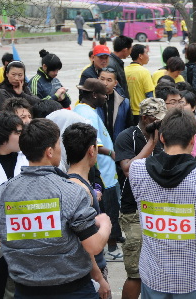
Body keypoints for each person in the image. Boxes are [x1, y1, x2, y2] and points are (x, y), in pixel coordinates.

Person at [0, 118, 111, 298]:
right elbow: (93, 246)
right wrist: (105, 223)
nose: (60, 150)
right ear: (49, 151)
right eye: (58, 145)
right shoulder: (70, 191)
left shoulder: (2, 193)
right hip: (73, 290)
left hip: (25, 290)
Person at [129, 108, 196, 297]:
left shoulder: (138, 170)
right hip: (195, 277)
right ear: (193, 139)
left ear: (162, 138)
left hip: (154, 275)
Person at [114, 98, 167, 299]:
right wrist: (152, 142)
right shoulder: (127, 137)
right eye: (157, 120)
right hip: (133, 211)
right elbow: (128, 170)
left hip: (159, 210)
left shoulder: (165, 137)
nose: (161, 125)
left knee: (159, 270)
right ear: (145, 118)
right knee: (135, 273)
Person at [73, 79, 123, 262]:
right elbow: (94, 145)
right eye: (104, 95)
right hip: (103, 173)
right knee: (107, 212)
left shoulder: (82, 109)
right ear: (94, 95)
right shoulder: (88, 115)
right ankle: (110, 247)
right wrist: (112, 153)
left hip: (103, 172)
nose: (105, 98)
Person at [63, 123, 112, 299]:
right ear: (92, 150)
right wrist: (99, 278)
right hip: (90, 272)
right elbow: (84, 243)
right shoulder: (79, 188)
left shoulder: (72, 182)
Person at [0, 112, 27, 297]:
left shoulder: (26, 157)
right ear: (3, 135)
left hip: (24, 240)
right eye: (18, 132)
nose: (23, 136)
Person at [97, 67, 133, 141]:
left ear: (115, 83)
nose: (105, 83)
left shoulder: (124, 102)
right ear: (98, 79)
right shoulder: (92, 101)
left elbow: (129, 126)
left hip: (118, 144)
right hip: (98, 144)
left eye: (109, 80)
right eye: (102, 79)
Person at [125, 44, 154, 124]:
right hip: (141, 113)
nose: (148, 56)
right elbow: (149, 95)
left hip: (127, 112)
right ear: (140, 56)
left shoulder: (124, 70)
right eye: (146, 53)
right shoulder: (144, 72)